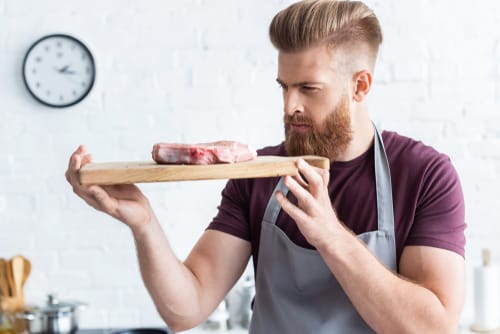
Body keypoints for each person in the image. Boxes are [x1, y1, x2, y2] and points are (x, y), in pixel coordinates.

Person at [65, 0, 466, 333]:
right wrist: (144, 224)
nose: (290, 105)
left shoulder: (424, 175)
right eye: (284, 87)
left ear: (360, 86)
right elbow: (185, 309)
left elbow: (432, 328)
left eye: (308, 89)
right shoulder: (257, 174)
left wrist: (330, 235)